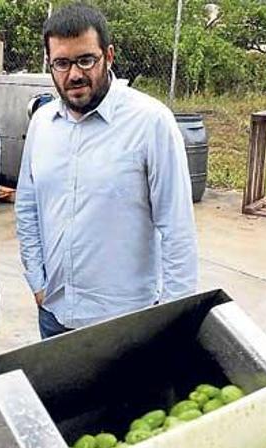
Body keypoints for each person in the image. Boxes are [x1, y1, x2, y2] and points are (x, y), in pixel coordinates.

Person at [16, 3, 199, 338]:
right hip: (55, 313)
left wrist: (175, 320)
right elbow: (28, 208)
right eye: (61, 63)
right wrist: (38, 283)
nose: (73, 74)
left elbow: (177, 228)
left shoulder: (150, 122)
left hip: (126, 321)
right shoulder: (42, 123)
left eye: (86, 60)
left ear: (108, 56)